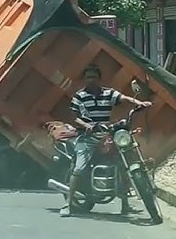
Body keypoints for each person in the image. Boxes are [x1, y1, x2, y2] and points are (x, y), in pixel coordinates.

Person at [60, 64, 152, 217]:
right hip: (87, 137)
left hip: (106, 134)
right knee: (79, 168)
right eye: (88, 77)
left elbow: (124, 97)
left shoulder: (108, 93)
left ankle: (125, 205)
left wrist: (139, 103)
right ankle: (67, 204)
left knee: (122, 163)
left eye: (94, 77)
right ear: (84, 79)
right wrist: (86, 125)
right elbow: (74, 116)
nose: (91, 80)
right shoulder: (79, 96)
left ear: (99, 79)